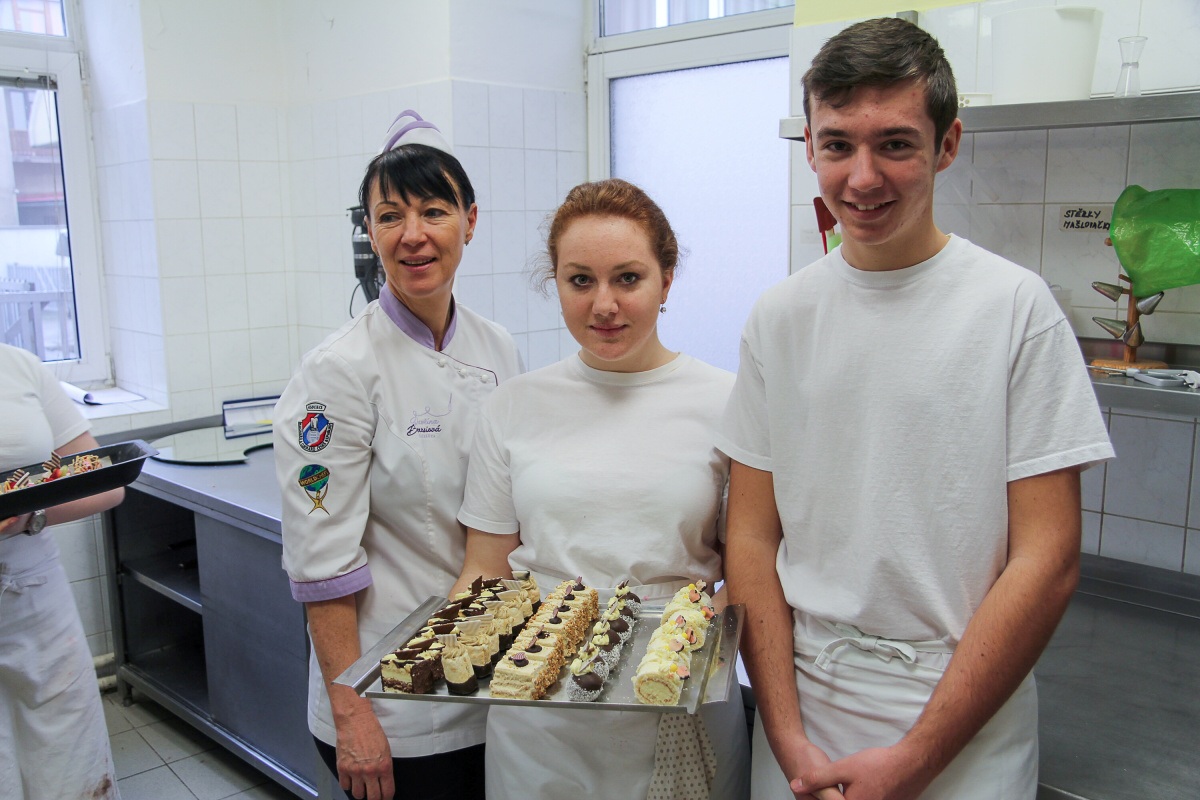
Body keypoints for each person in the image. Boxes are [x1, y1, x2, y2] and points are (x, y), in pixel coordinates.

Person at [718, 18, 1115, 800]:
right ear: (810, 148)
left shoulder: (1014, 309)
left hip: (963, 714)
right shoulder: (781, 317)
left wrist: (919, 758)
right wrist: (785, 735)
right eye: (837, 145)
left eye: (895, 144)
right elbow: (751, 537)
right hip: (806, 706)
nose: (862, 178)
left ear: (947, 144)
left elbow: (1048, 559)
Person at [453, 178, 751, 800]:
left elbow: (749, 572)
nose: (604, 305)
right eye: (581, 280)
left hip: (675, 698)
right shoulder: (512, 407)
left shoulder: (728, 402)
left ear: (666, 282)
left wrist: (684, 652)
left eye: (628, 278)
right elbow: (485, 569)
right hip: (540, 713)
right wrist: (445, 653)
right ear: (556, 283)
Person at [273, 110, 522, 800]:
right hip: (391, 699)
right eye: (390, 216)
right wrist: (353, 714)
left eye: (434, 211)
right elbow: (322, 561)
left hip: (492, 681)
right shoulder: (337, 372)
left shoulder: (498, 347)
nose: (413, 234)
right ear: (370, 230)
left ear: (470, 221)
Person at [0, 342, 124, 800]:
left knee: (67, 756)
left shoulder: (18, 366)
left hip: (35, 597)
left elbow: (104, 483)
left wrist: (29, 515)